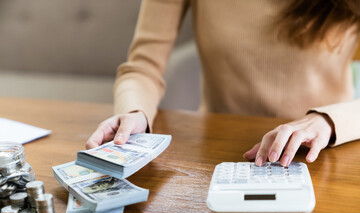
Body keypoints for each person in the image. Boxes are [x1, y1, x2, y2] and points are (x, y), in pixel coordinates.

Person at [86, 0, 360, 167]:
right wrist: (135, 112)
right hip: (221, 152)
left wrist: (329, 120)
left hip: (329, 150)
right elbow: (143, 65)